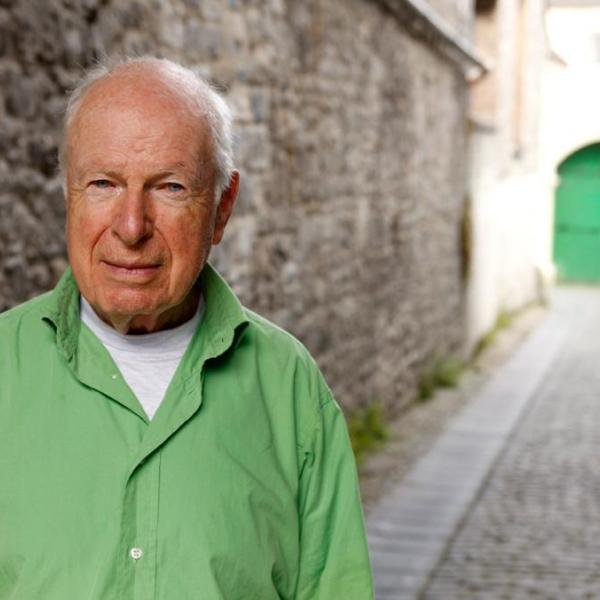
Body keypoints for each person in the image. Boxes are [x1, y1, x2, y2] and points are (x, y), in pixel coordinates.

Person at [0, 56, 374, 599]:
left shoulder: (290, 390)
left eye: (170, 188)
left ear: (221, 209)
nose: (131, 227)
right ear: (68, 197)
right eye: (103, 184)